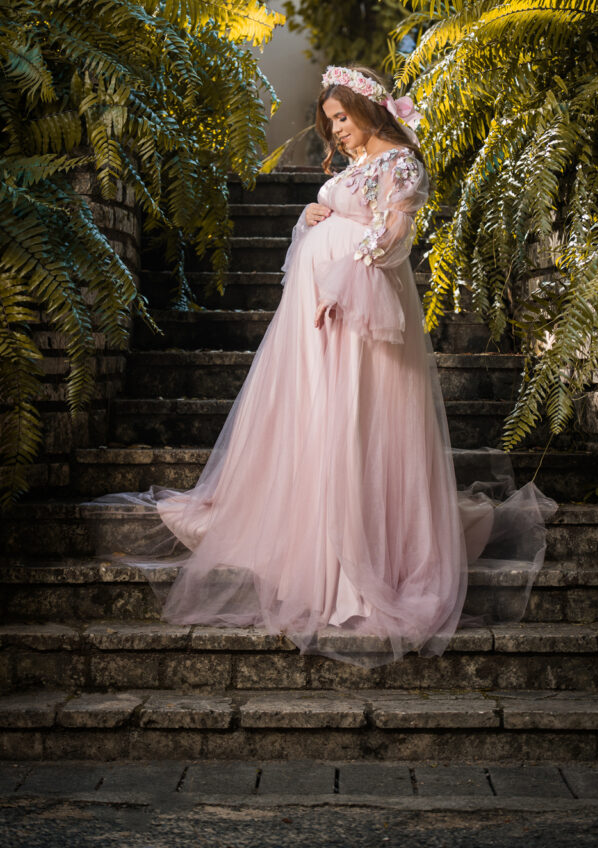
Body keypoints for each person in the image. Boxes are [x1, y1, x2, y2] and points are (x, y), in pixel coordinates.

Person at [94, 64, 556, 667]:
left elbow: (392, 241)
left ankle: (359, 557)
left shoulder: (401, 165)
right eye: (330, 122)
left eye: (342, 118)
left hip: (358, 319)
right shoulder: (358, 166)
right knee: (317, 423)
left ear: (369, 110)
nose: (335, 131)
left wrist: (340, 281)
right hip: (320, 323)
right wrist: (311, 218)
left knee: (357, 422)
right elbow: (338, 220)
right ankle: (317, 539)